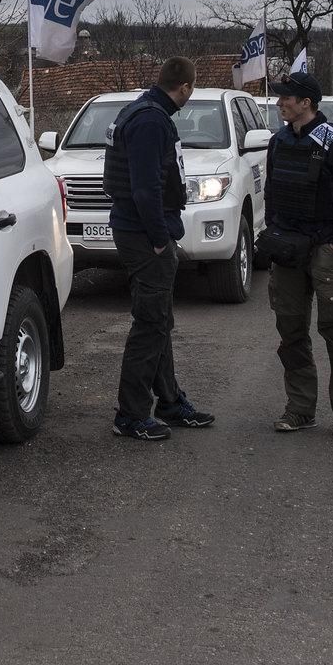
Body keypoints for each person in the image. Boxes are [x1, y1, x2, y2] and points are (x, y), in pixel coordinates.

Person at [105, 56, 214, 441]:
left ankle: (169, 401)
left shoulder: (145, 112)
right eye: (192, 88)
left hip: (144, 230)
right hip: (143, 234)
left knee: (160, 320)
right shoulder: (151, 121)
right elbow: (145, 188)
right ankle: (131, 415)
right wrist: (157, 239)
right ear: (185, 87)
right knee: (150, 324)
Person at [264, 69, 333, 440]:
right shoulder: (278, 142)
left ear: (305, 103)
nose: (279, 103)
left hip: (326, 249)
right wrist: (274, 232)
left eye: (286, 99)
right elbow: (271, 193)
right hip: (288, 249)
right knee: (290, 331)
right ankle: (300, 409)